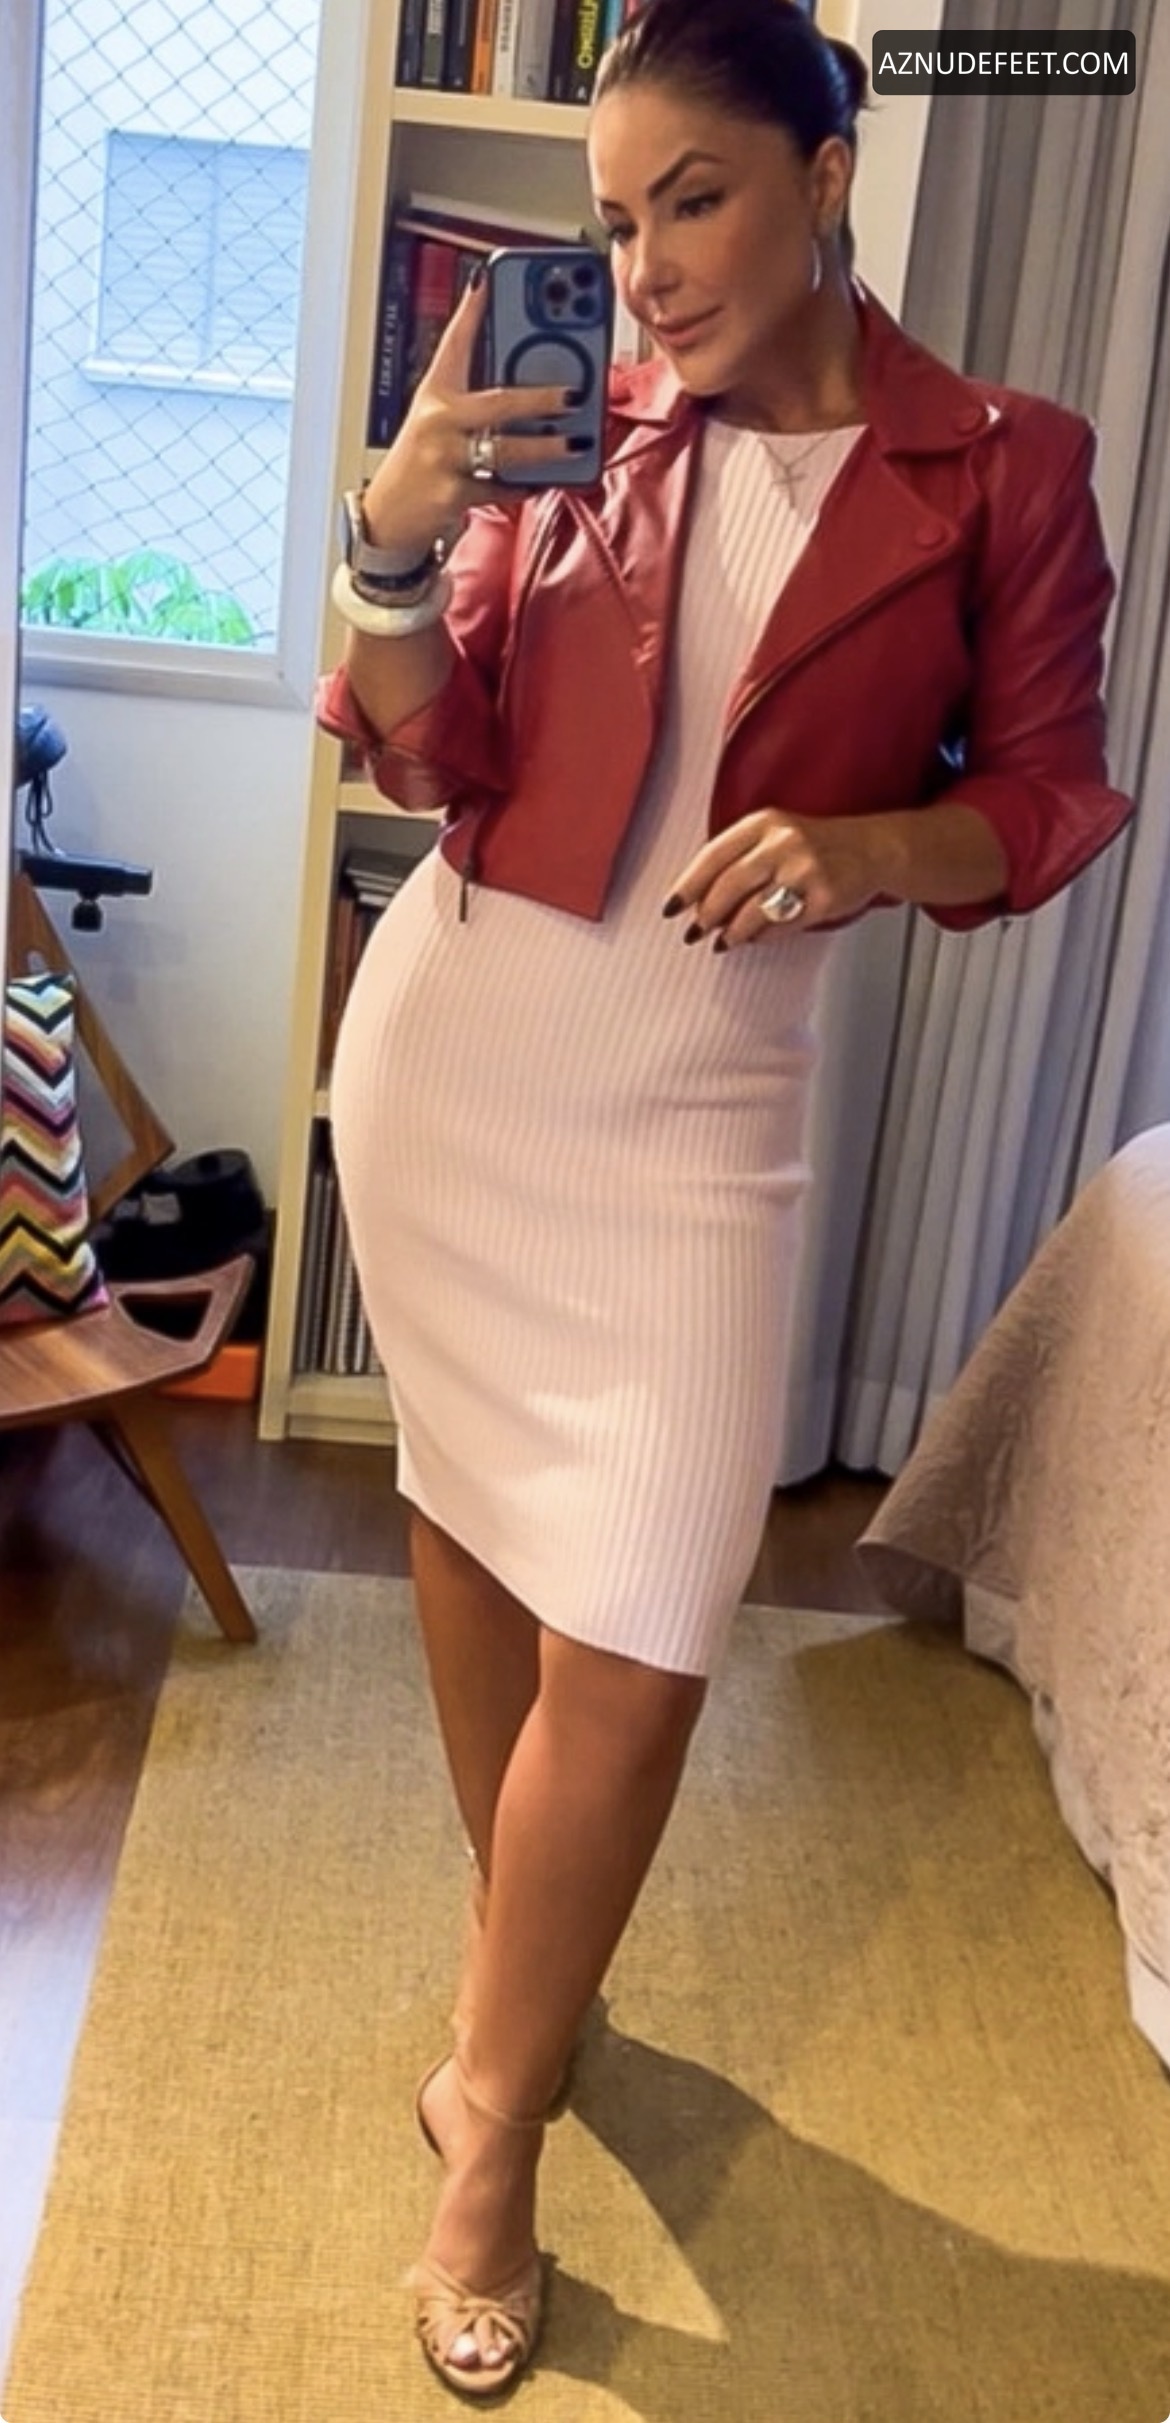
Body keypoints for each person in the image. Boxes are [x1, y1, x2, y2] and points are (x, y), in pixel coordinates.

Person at [318, 0, 1132, 2395]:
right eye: (613, 220)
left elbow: (1052, 799)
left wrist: (872, 843)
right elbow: (436, 756)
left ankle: (491, 2073)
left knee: (650, 1630)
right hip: (465, 1063)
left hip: (704, 1126)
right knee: (478, 1536)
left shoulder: (1004, 468)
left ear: (827, 174)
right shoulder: (579, 434)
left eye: (695, 200)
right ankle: (515, 2069)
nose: (645, 268)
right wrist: (394, 545)